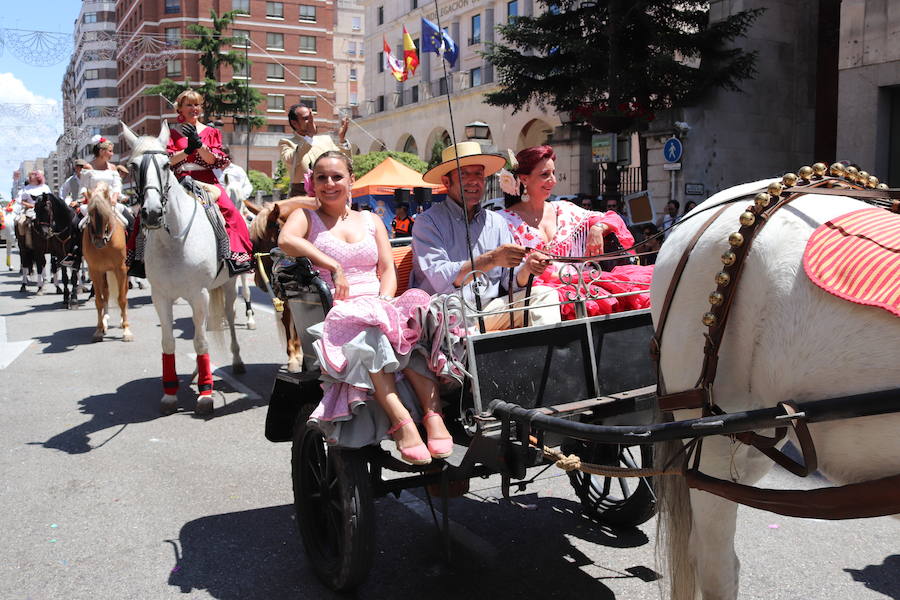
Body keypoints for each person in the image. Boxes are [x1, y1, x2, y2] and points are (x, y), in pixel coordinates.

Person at [277, 151, 452, 465]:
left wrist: (385, 300)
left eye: (337, 177)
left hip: (378, 302)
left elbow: (387, 270)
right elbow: (287, 240)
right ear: (312, 183)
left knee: (422, 315)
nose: (329, 184)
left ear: (351, 180)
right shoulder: (306, 216)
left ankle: (433, 413)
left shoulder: (371, 220)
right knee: (371, 329)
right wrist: (331, 265)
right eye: (321, 178)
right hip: (337, 308)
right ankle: (402, 422)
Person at [411, 142, 560, 330]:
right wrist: (492, 259)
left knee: (545, 295)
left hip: (489, 310)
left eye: (478, 174)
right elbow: (441, 279)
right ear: (447, 182)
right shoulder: (427, 222)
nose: (474, 181)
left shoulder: (496, 222)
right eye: (464, 174)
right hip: (446, 314)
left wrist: (527, 268)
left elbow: (511, 281)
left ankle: (556, 357)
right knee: (454, 311)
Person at [498, 145, 652, 319]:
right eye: (545, 175)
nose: (553, 180)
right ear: (524, 179)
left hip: (587, 291)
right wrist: (529, 269)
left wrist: (597, 229)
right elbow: (508, 280)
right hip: (541, 302)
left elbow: (612, 219)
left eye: (553, 173)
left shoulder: (564, 209)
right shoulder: (503, 221)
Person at [167, 89, 253, 275]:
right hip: (179, 180)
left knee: (231, 211)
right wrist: (188, 149)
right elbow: (168, 160)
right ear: (180, 108)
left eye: (197, 104)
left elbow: (213, 161)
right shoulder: (171, 133)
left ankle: (238, 255)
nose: (194, 108)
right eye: (189, 104)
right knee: (149, 212)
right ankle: (140, 258)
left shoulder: (211, 132)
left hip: (206, 179)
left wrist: (199, 144)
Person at [278, 103, 351, 196]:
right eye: (306, 119)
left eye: (312, 117)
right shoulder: (286, 143)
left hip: (329, 191)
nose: (311, 121)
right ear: (294, 123)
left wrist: (342, 140)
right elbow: (291, 160)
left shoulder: (325, 139)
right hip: (302, 195)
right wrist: (309, 137)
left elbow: (346, 163)